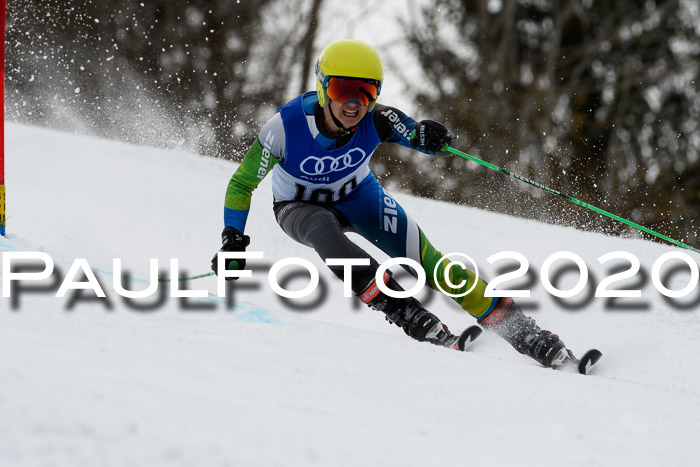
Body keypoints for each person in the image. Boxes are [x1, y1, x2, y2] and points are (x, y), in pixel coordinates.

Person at [212, 39, 573, 368]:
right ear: (324, 88)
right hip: (298, 206)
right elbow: (242, 184)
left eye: (366, 92)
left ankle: (525, 332)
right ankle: (407, 313)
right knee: (328, 236)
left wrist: (431, 136)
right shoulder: (285, 127)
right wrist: (232, 238)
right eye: (342, 89)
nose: (354, 103)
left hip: (359, 196)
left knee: (432, 265)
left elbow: (414, 132)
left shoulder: (377, 118)